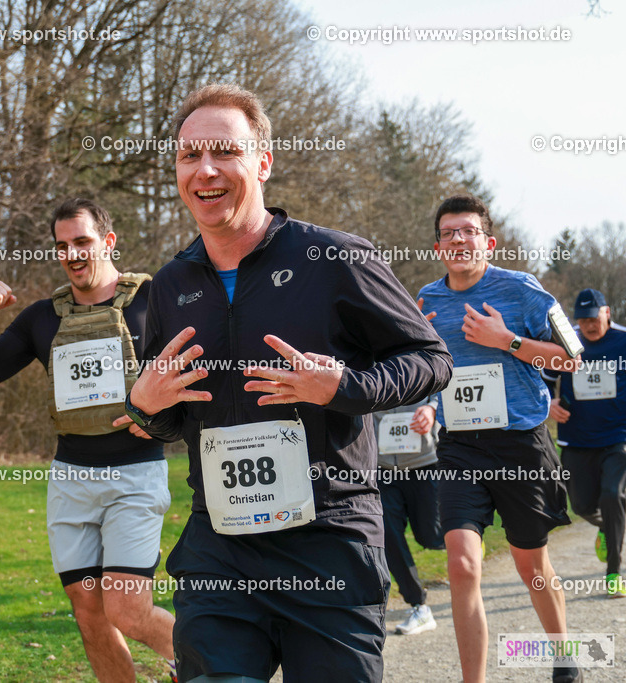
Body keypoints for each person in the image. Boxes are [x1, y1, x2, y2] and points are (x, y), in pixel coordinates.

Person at [119, 84, 452, 683]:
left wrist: (344, 386)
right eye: (189, 156)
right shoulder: (169, 285)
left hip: (328, 545)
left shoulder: (334, 259)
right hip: (220, 553)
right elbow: (168, 412)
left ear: (264, 162)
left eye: (225, 151)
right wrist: (142, 405)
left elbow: (431, 359)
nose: (206, 170)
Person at [0, 198, 175, 683]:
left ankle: (210, 667)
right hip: (72, 478)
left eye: (82, 242)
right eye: (62, 246)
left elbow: (198, 373)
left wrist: (164, 423)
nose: (72, 254)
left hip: (135, 475)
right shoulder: (42, 318)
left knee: (127, 609)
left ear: (108, 242)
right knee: (89, 612)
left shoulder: (153, 300)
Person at [417, 194, 583, 683]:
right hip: (460, 446)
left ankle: (562, 654)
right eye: (449, 233)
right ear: (438, 246)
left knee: (529, 560)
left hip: (519, 443)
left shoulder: (522, 291)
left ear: (487, 242)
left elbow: (570, 358)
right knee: (463, 562)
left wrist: (505, 340)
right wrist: (417, 355)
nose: (458, 240)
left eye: (468, 231)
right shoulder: (425, 301)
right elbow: (413, 370)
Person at [543, 288, 626, 598]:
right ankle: (609, 525)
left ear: (607, 313)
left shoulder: (623, 341)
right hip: (576, 438)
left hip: (618, 436)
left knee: (612, 493)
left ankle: (614, 573)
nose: (590, 325)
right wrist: (550, 403)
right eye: (583, 319)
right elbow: (545, 380)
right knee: (580, 504)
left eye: (595, 318)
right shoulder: (567, 341)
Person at [372, 397, 444, 636]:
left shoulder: (421, 359)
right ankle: (419, 605)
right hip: (382, 468)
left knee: (431, 537)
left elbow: (446, 385)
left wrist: (433, 409)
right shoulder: (365, 361)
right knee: (387, 535)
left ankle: (469, 541)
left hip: (424, 463)